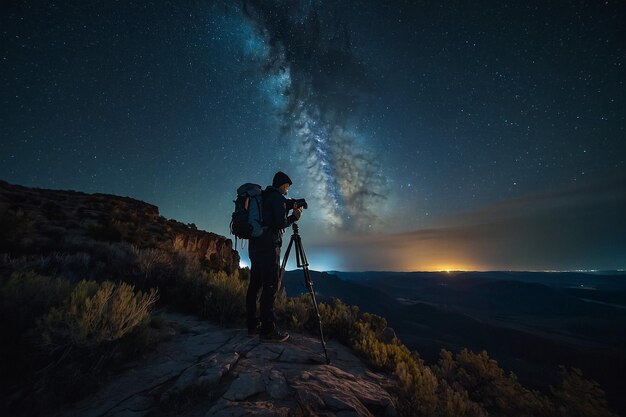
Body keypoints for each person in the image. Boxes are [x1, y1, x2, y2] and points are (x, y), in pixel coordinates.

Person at [247, 171, 303, 342]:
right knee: (270, 286)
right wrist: (294, 217)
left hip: (255, 246)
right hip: (269, 247)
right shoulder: (277, 197)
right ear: (283, 184)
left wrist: (292, 203)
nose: (288, 189)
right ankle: (267, 330)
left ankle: (252, 325)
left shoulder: (265, 196)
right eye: (287, 186)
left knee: (255, 285)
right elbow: (279, 223)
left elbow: (276, 209)